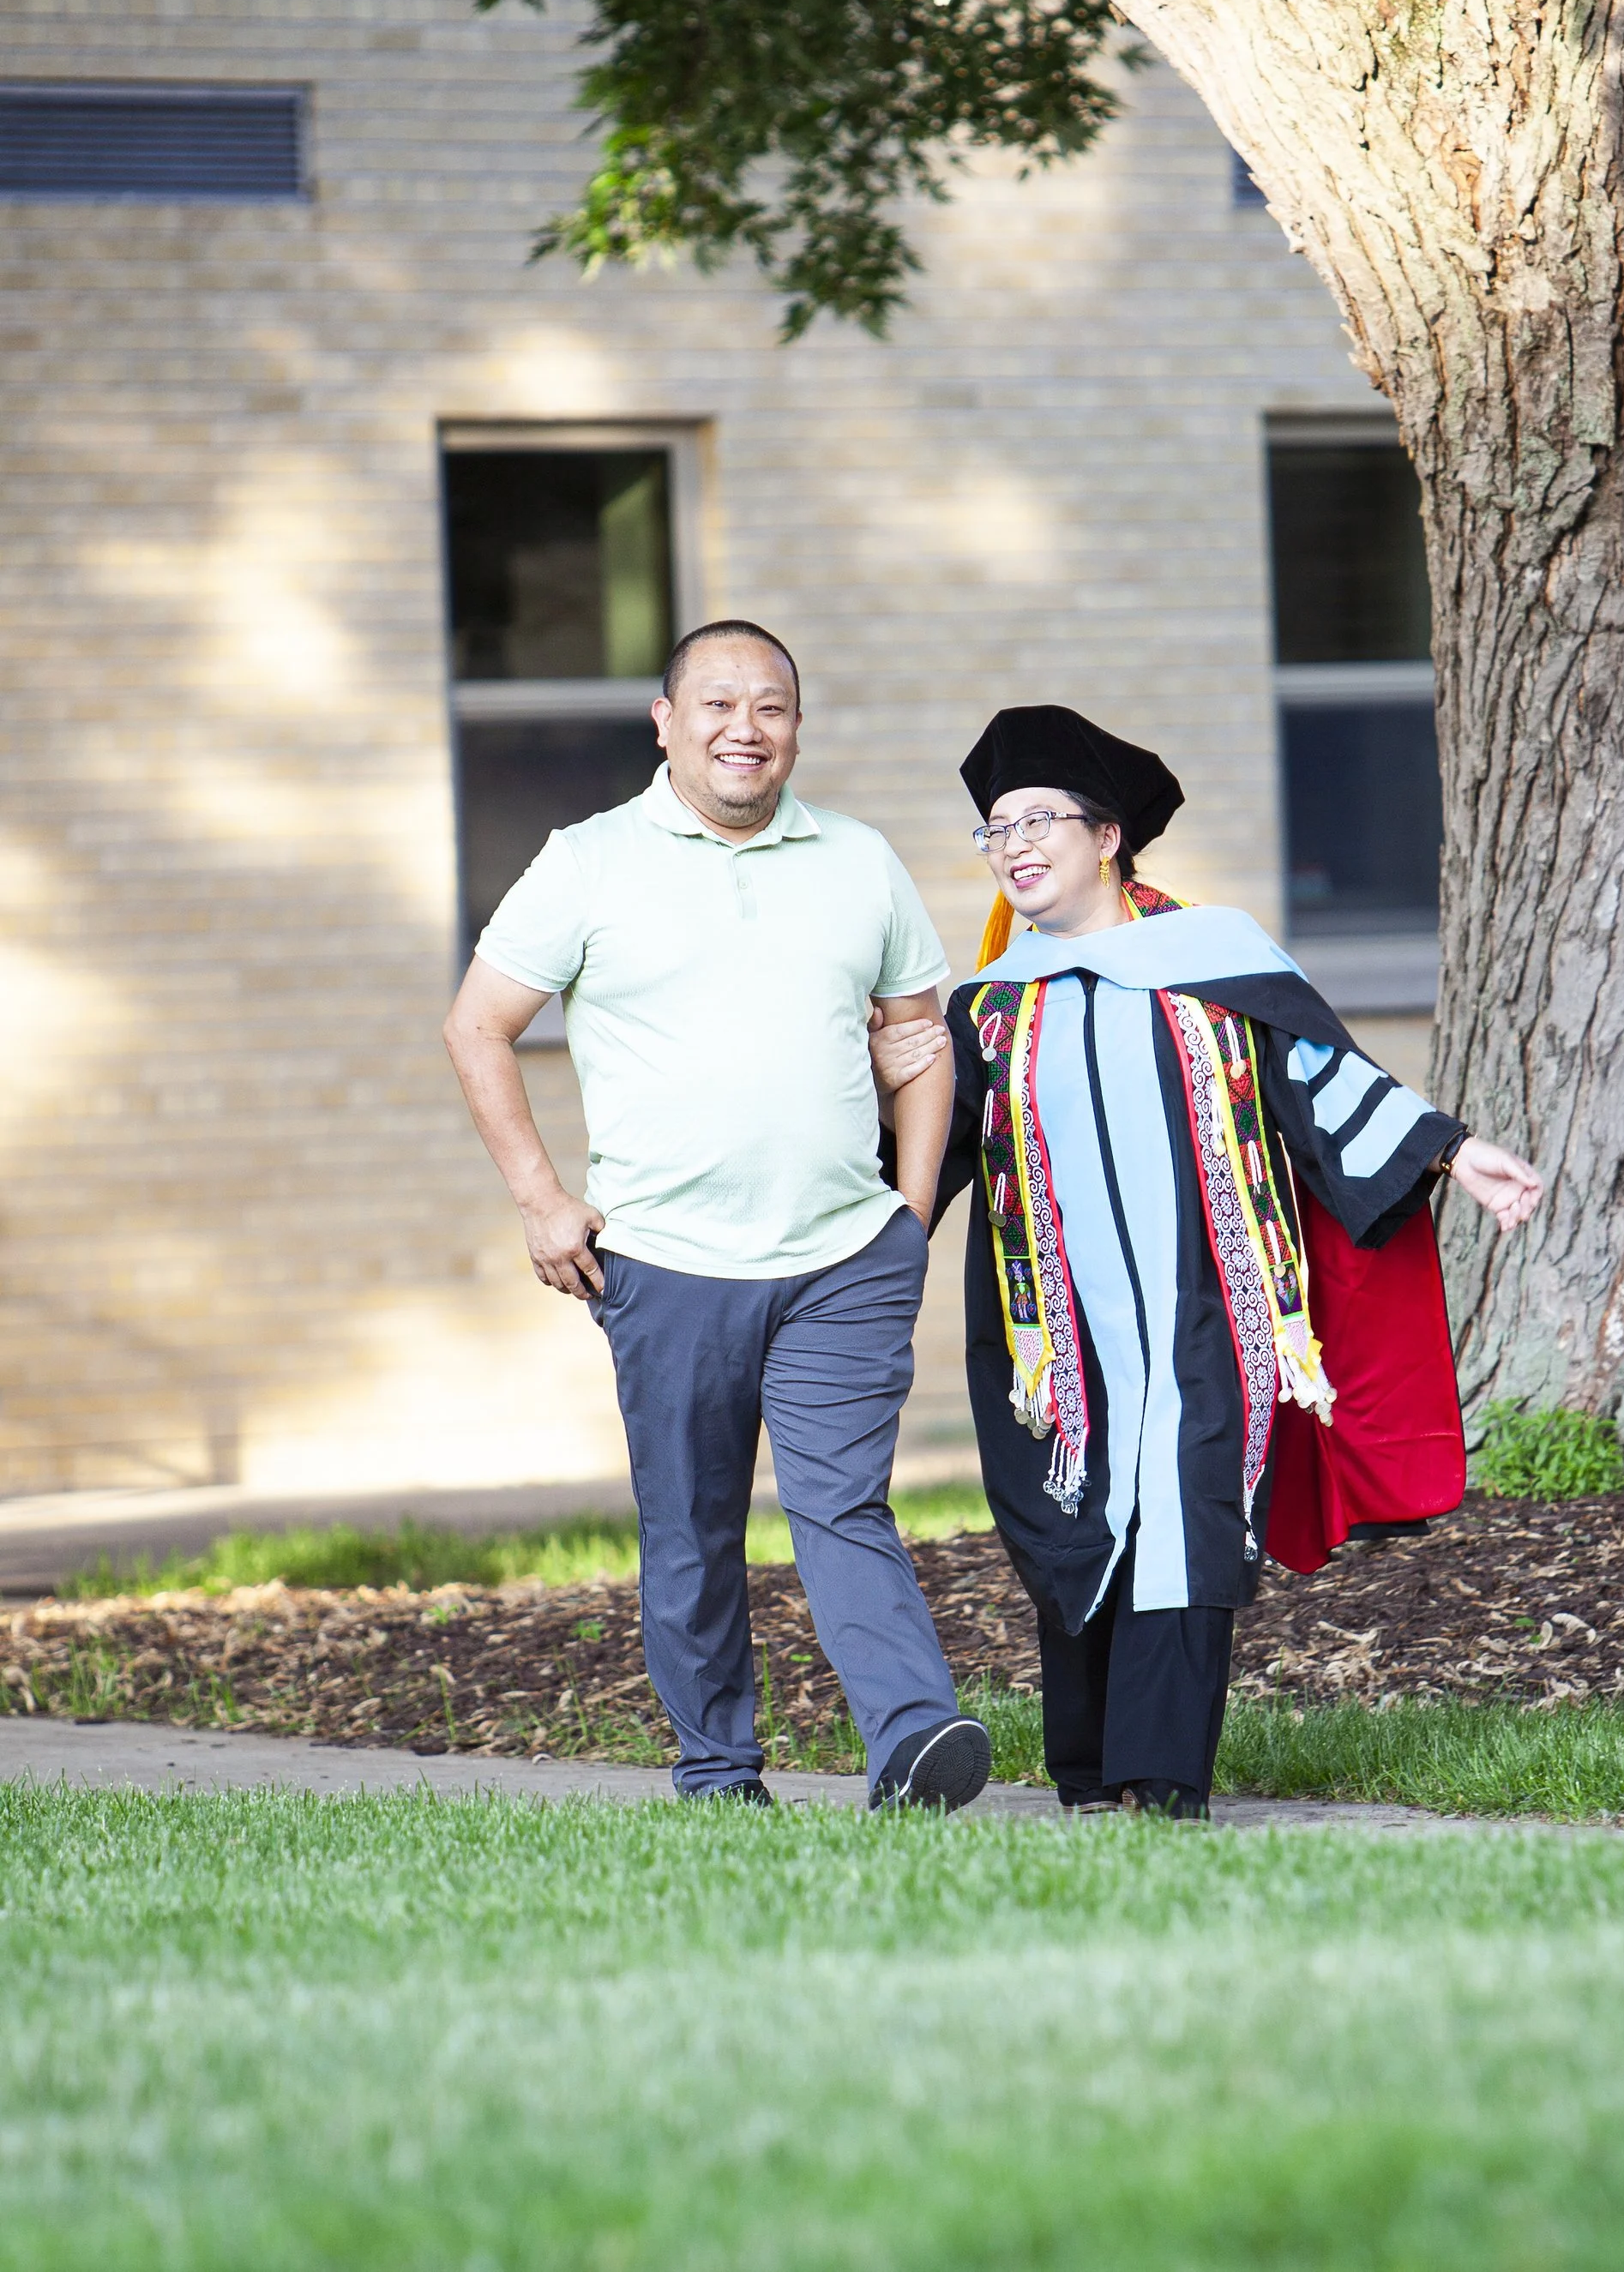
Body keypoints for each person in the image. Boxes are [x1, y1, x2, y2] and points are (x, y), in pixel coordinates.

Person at [917, 702, 1543, 1820]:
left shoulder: (1214, 962)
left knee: (1186, 1517)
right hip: (1054, 1339)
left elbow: (1324, 1081)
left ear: (1107, 834)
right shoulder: (992, 1007)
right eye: (997, 828)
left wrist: (1453, 1151)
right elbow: (919, 1156)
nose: (1015, 845)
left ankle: (1162, 1780)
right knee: (1080, 1519)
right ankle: (1089, 1770)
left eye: (1040, 820)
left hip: (1208, 1317)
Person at [442, 619, 990, 1812]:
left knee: (843, 1502)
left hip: (845, 1257)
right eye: (719, 704)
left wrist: (906, 1209)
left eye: (774, 707)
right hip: (663, 1261)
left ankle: (911, 1740)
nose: (748, 728)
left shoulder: (858, 858)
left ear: (798, 725)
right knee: (691, 1527)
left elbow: (916, 1037)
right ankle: (719, 1769)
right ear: (666, 720)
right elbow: (477, 1022)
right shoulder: (588, 861)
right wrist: (543, 1201)